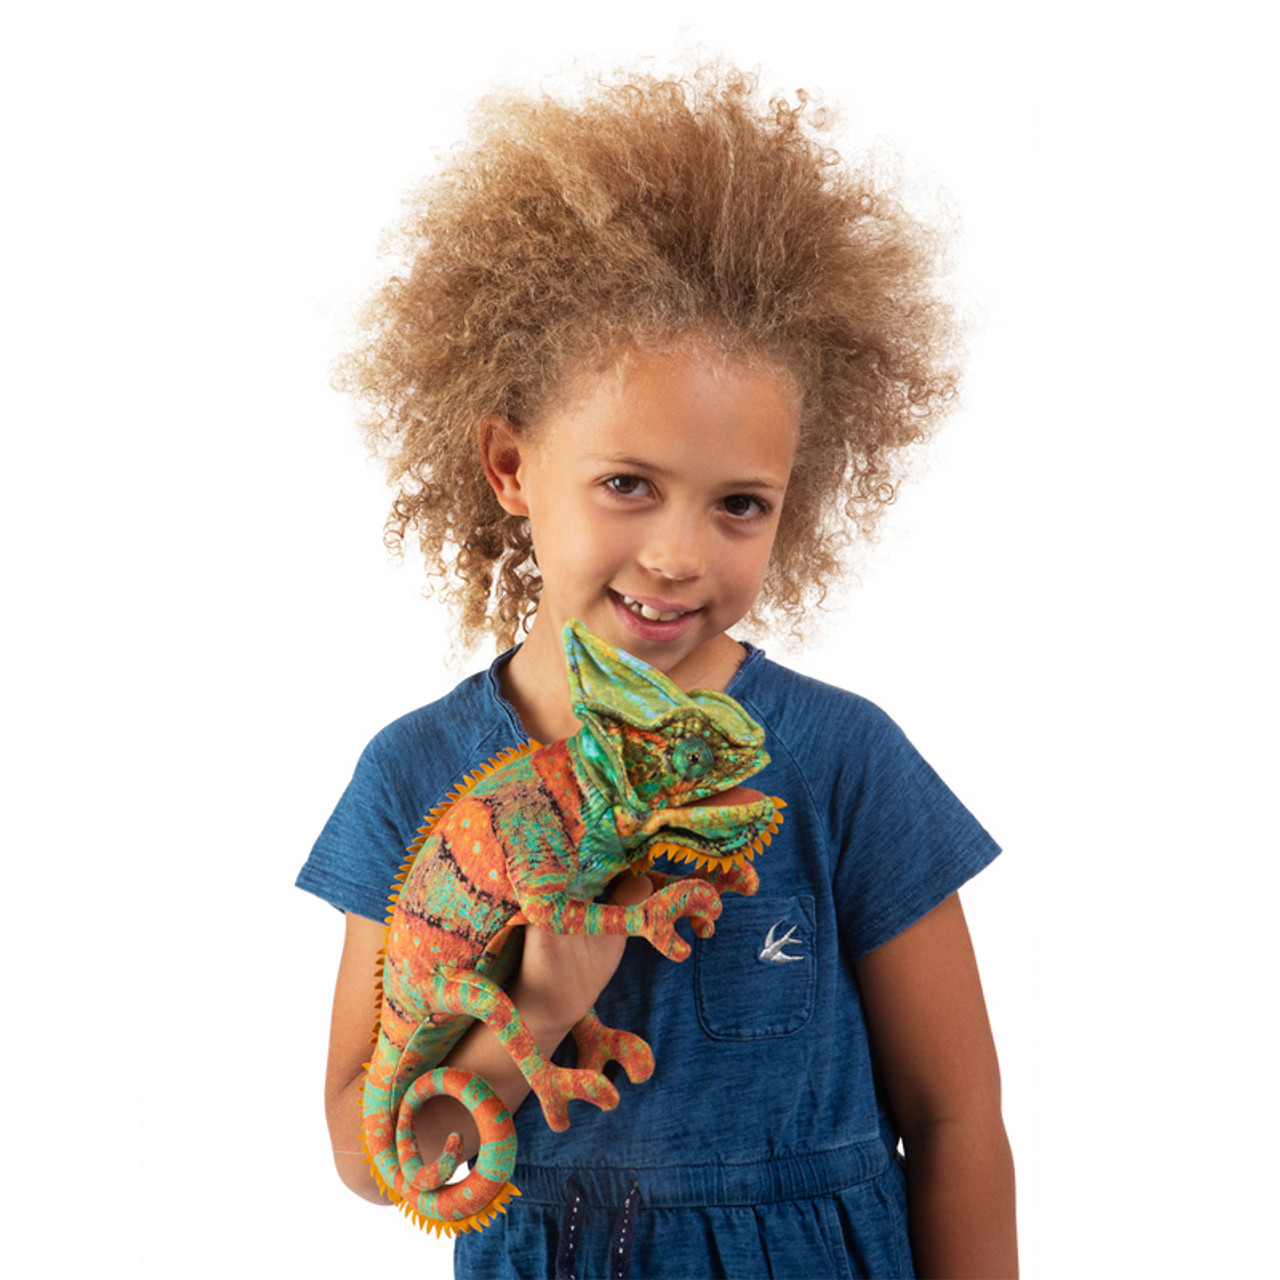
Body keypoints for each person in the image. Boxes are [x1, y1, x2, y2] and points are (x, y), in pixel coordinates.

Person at [298, 64, 1017, 1279]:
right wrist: (532, 1000)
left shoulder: (839, 758)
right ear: (512, 466)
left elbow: (955, 1122)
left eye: (739, 504)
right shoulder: (415, 768)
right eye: (626, 483)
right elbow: (370, 1152)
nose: (679, 554)